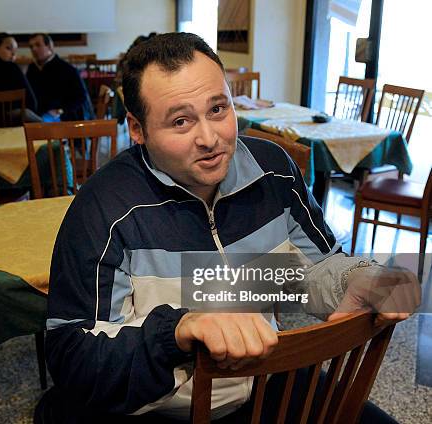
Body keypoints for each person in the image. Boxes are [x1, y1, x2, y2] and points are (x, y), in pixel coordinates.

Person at [36, 33, 419, 423]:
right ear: (137, 128)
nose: (210, 138)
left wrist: (358, 278)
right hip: (161, 406)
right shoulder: (103, 208)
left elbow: (311, 269)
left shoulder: (273, 171)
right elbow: (73, 354)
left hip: (262, 379)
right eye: (181, 121)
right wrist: (179, 330)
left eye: (218, 109)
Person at [26, 33, 94, 122]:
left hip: (62, 116)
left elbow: (81, 97)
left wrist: (61, 110)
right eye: (31, 47)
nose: (34, 49)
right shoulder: (32, 69)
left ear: (49, 46)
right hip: (39, 113)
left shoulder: (67, 69)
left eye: (38, 45)